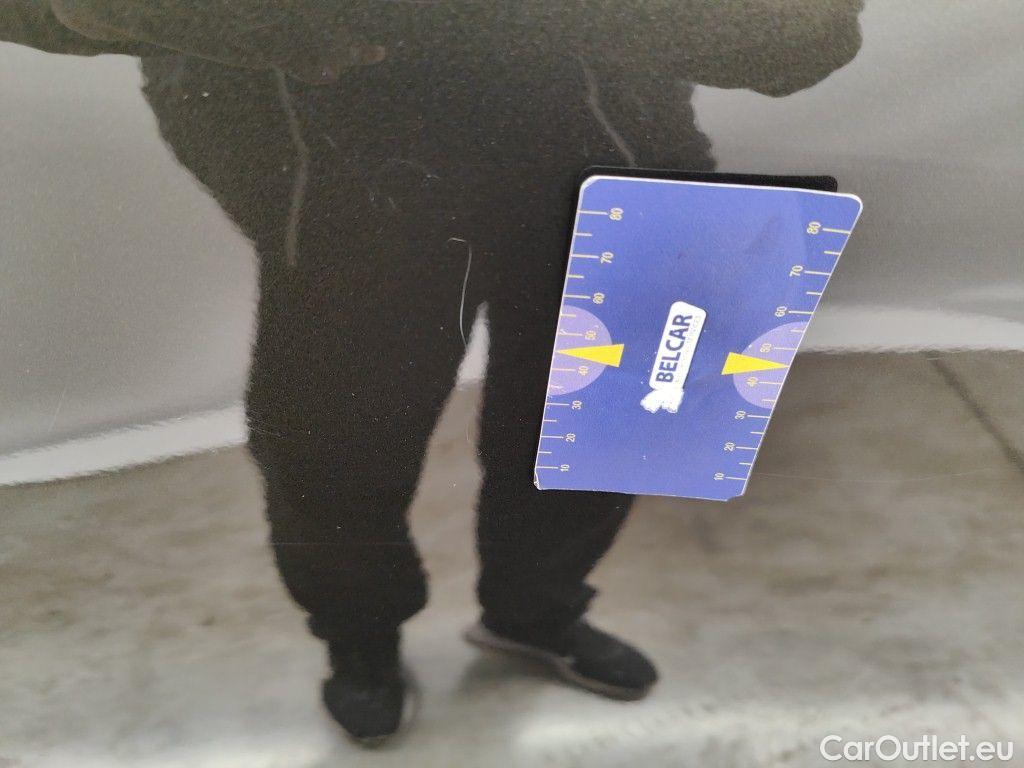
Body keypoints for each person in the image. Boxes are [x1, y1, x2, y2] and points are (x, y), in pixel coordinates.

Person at [2, 0, 863, 743]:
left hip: (617, 163)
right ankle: (360, 638)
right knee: (330, 455)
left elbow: (811, 39)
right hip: (350, 187)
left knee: (608, 434)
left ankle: (537, 612)